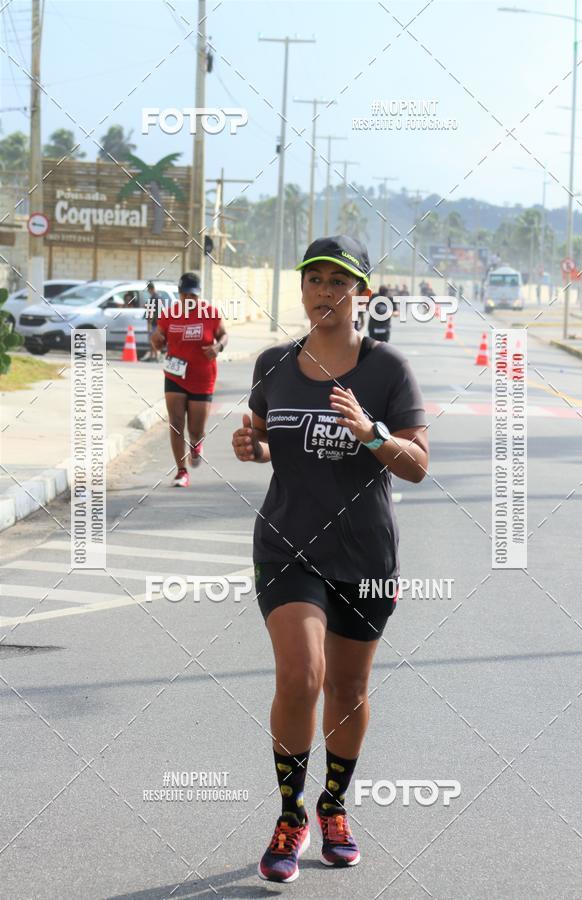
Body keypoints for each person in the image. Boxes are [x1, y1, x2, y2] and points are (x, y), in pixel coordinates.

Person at [231, 234, 428, 884]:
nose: (325, 291)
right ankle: (291, 817)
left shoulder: (387, 370)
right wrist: (250, 447)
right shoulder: (273, 365)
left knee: (347, 689)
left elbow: (418, 465)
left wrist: (372, 433)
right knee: (302, 675)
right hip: (287, 547)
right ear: (303, 288)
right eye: (314, 279)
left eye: (338, 281)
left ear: (360, 292)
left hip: (366, 555)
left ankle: (334, 804)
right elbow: (266, 442)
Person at [152, 271, 228, 487]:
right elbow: (158, 339)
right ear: (179, 295)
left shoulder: (211, 314)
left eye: (193, 296)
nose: (190, 300)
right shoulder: (168, 314)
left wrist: (218, 346)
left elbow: (224, 334)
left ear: (199, 295)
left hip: (202, 377)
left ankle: (196, 444)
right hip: (175, 374)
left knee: (196, 430)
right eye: (186, 296)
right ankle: (181, 471)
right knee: (176, 423)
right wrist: (156, 340)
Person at [144, 281, 162, 361]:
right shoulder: (156, 297)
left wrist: (150, 321)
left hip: (154, 322)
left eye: (148, 289)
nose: (148, 291)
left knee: (153, 340)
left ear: (150, 289)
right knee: (152, 339)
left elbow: (155, 312)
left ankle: (156, 356)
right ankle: (152, 356)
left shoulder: (155, 298)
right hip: (154, 322)